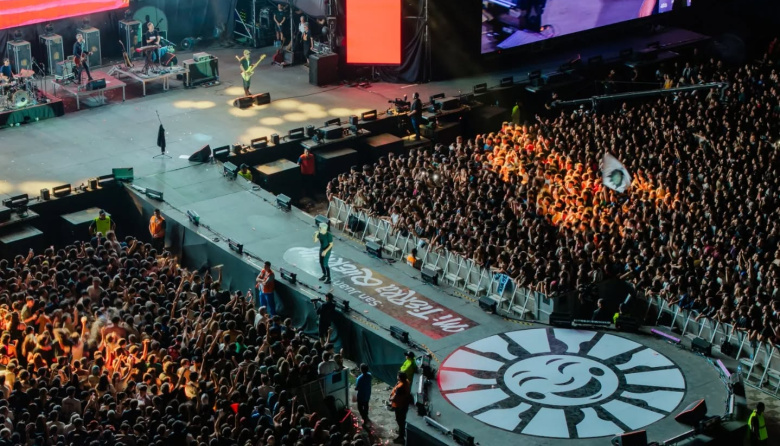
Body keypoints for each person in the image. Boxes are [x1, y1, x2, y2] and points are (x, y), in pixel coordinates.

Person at [389, 371, 412, 444]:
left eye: (398, 376)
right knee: (402, 419)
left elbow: (395, 397)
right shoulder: (406, 381)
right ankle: (401, 431)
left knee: (400, 420)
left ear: (400, 378)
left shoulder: (400, 387)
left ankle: (401, 437)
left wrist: (390, 399)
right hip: (404, 403)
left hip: (399, 405)